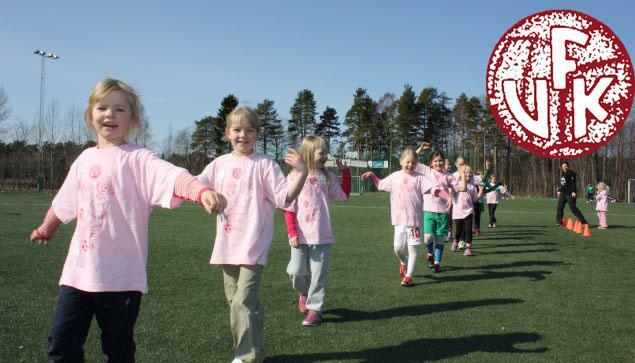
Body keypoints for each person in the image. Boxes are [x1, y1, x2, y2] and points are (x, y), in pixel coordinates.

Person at [29, 78, 227, 362]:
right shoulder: (84, 160)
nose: (110, 114)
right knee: (61, 345)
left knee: (118, 350)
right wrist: (46, 228)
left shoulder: (139, 159)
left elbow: (171, 176)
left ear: (133, 121)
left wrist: (200, 191)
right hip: (77, 274)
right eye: (102, 107)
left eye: (120, 109)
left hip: (121, 278)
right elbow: (64, 201)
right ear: (90, 115)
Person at [197, 107, 308, 363]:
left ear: (257, 134)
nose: (242, 135)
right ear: (227, 134)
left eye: (249, 130)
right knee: (239, 303)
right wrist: (196, 191)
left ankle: (247, 357)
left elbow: (284, 197)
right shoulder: (219, 164)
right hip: (227, 245)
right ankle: (255, 348)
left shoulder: (265, 164)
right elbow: (198, 184)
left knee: (241, 303)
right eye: (236, 130)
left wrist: (301, 173)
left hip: (253, 245)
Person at [284, 135, 351, 327]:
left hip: (322, 236)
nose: (325, 156)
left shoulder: (328, 177)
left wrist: (345, 172)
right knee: (296, 272)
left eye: (326, 152)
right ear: (308, 153)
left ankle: (315, 310)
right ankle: (304, 293)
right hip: (299, 236)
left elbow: (344, 196)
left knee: (318, 277)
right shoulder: (295, 176)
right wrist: (292, 232)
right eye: (322, 152)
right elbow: (288, 207)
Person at [362, 149, 442, 285]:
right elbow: (381, 185)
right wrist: (372, 176)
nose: (410, 165)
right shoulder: (395, 176)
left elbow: (433, 188)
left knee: (413, 248)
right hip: (399, 220)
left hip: (414, 221)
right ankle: (404, 261)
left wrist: (445, 195)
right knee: (398, 249)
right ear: (401, 162)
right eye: (408, 162)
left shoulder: (420, 177)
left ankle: (409, 276)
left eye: (414, 163)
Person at [415, 142, 454, 272]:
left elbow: (457, 187)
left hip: (443, 212)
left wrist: (451, 198)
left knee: (440, 239)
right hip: (428, 211)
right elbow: (413, 159)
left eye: (440, 161)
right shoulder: (427, 171)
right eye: (435, 161)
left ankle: (437, 262)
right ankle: (430, 253)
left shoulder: (448, 176)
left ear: (444, 162)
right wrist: (420, 149)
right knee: (427, 238)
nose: (438, 163)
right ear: (431, 163)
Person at [451, 165, 483, 256]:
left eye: (470, 173)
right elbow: (452, 194)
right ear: (462, 174)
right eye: (466, 173)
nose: (468, 174)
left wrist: (480, 190)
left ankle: (468, 248)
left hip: (469, 211)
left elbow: (475, 199)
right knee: (458, 231)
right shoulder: (457, 184)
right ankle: (456, 240)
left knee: (469, 230)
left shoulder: (472, 187)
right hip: (458, 212)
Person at [555, 161, 588, 227]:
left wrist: (574, 191)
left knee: (573, 208)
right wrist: (559, 190)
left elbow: (573, 183)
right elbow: (562, 184)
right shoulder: (562, 174)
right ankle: (559, 222)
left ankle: (584, 222)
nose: (565, 167)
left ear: (568, 166)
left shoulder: (571, 173)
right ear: (561, 167)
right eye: (563, 166)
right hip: (563, 193)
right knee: (559, 207)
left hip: (570, 193)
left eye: (566, 166)